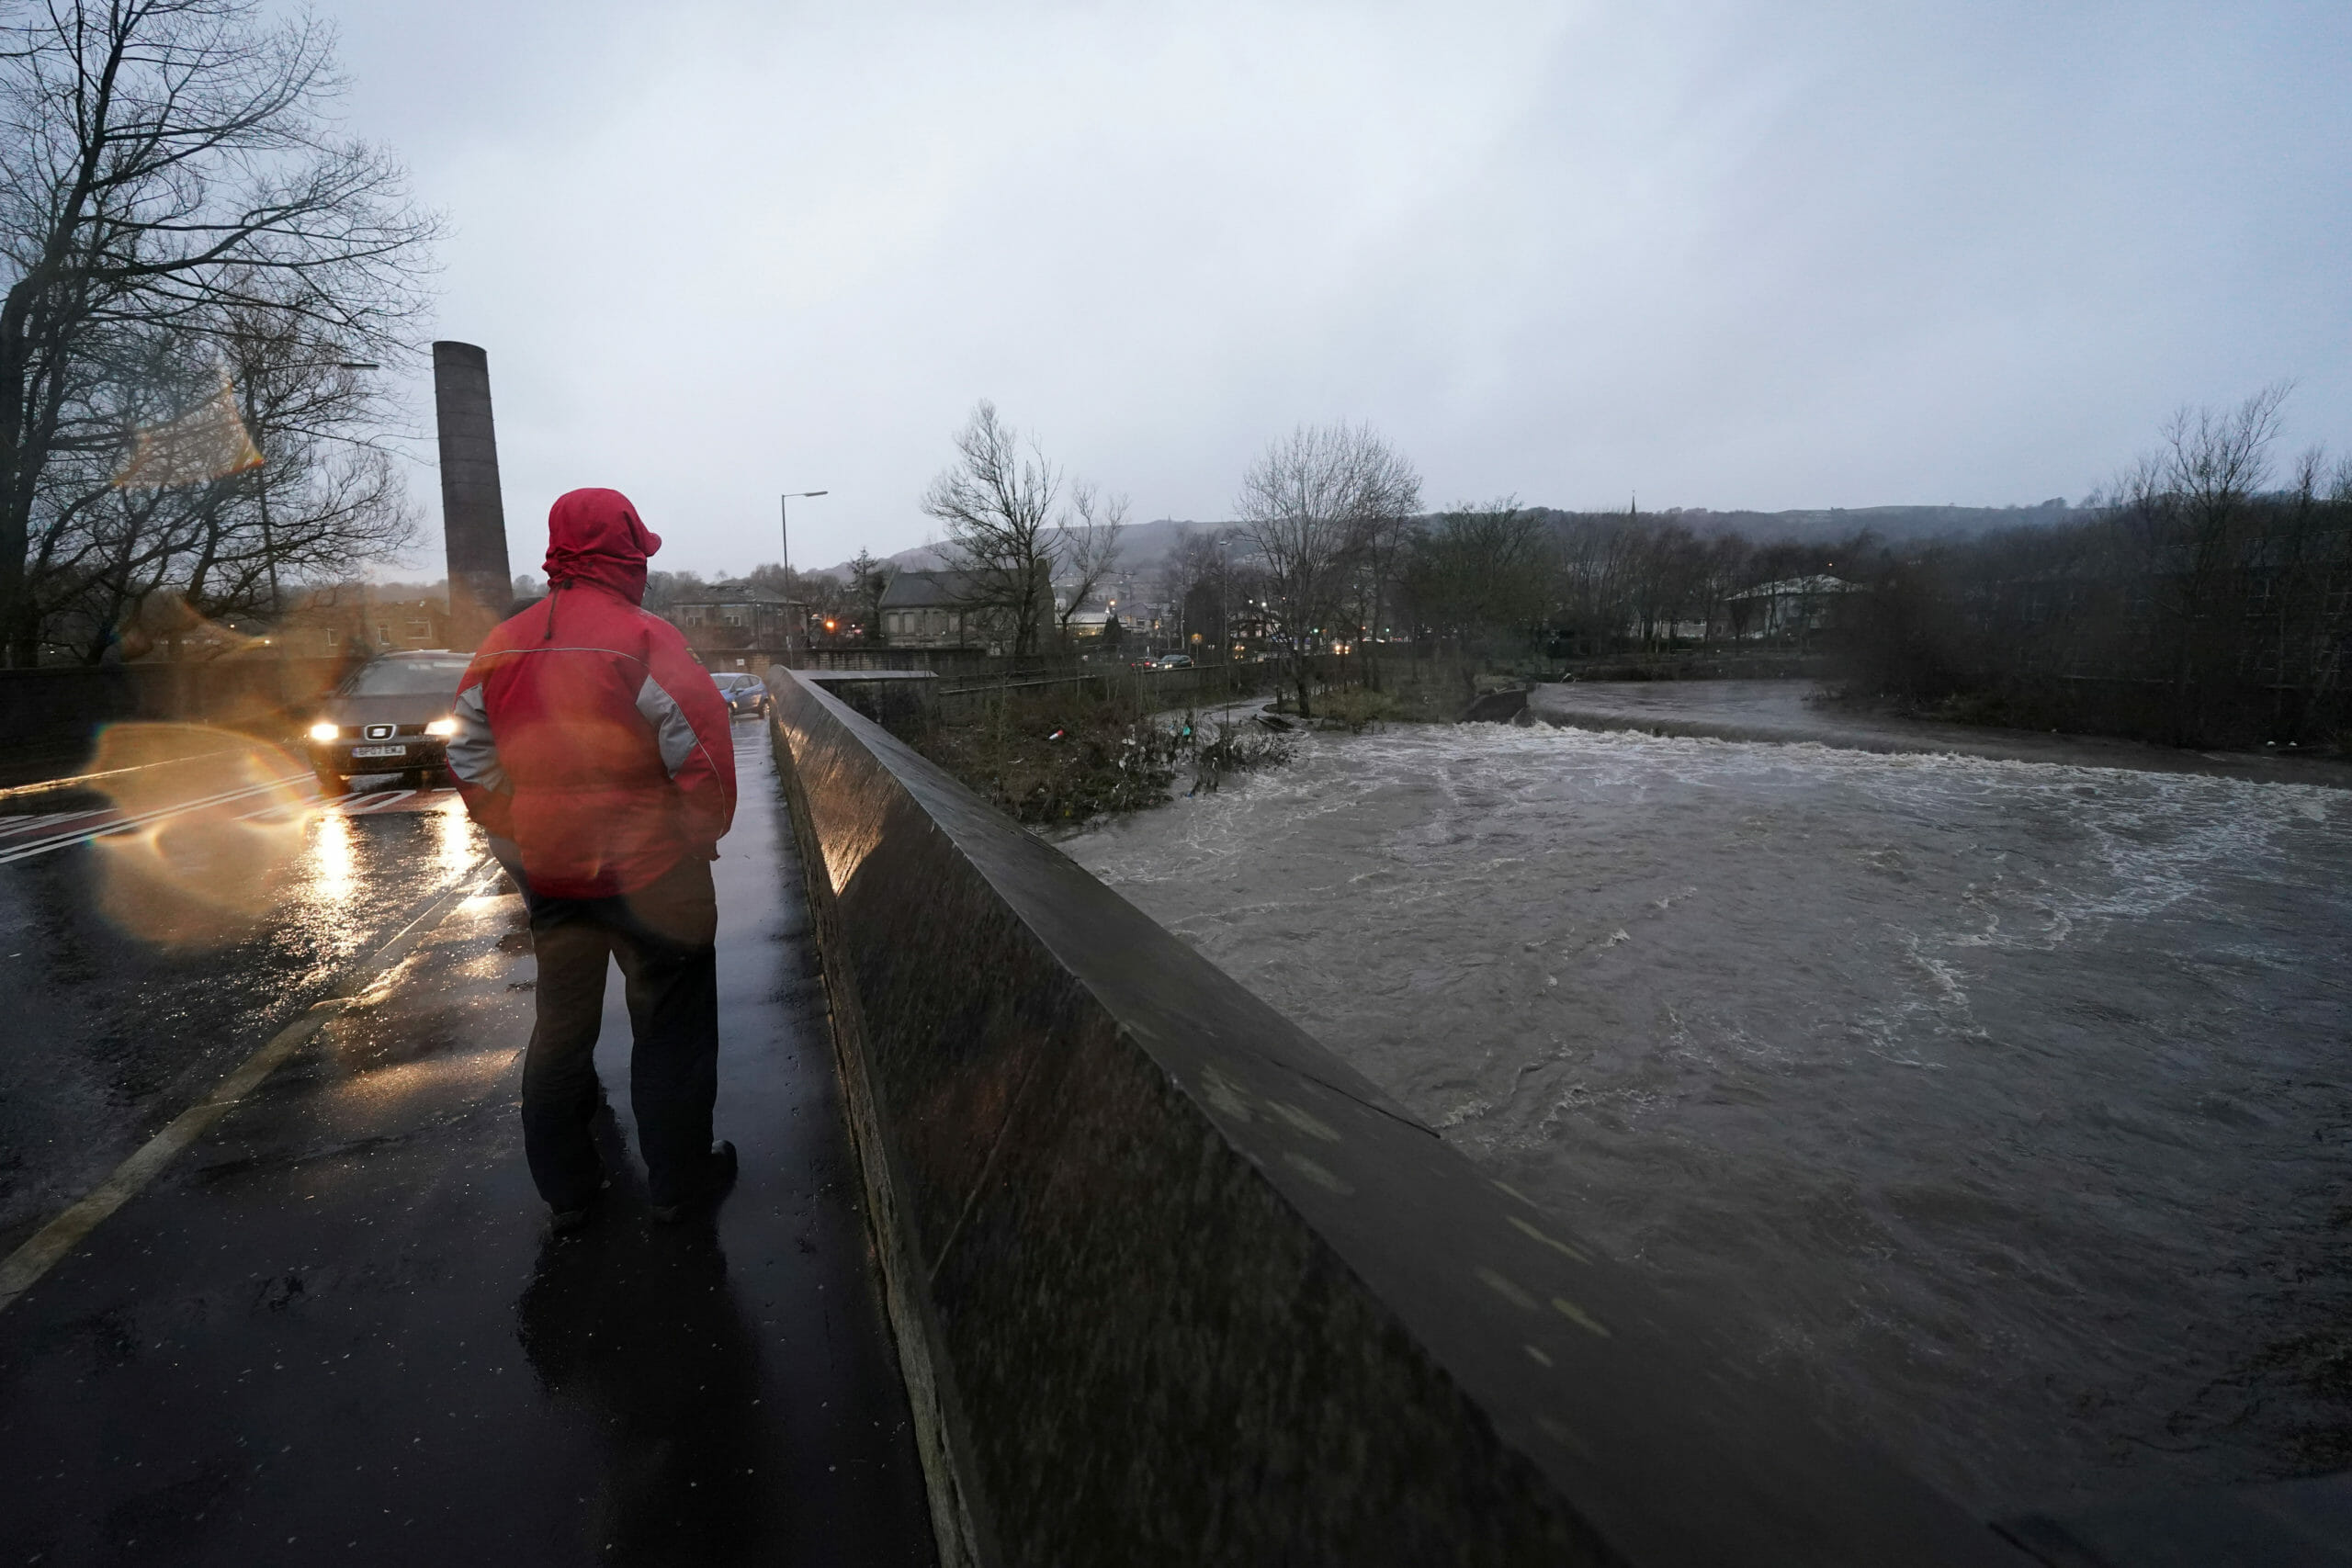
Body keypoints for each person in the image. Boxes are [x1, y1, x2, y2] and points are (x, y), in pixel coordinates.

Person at [447, 488, 739, 1232]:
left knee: (562, 1028)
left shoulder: (500, 645)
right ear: (629, 553)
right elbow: (703, 753)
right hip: (652, 875)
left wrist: (519, 827)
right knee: (670, 1029)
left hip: (551, 875)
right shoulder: (643, 641)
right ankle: (677, 1182)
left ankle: (569, 1191)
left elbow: (467, 758)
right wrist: (694, 834)